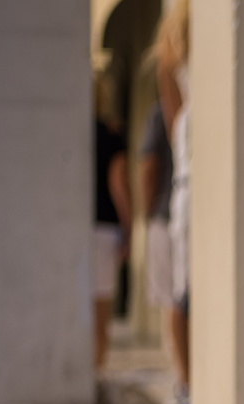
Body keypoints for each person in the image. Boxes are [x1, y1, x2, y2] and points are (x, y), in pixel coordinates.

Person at [139, 98, 187, 404]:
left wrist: (147, 212)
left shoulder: (164, 112)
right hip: (174, 211)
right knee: (180, 300)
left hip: (169, 213)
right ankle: (186, 381)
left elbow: (149, 166)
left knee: (176, 299)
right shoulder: (164, 113)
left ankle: (185, 382)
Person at [156, 0, 190, 404]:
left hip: (194, 180)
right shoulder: (175, 43)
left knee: (188, 293)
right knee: (185, 294)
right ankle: (187, 383)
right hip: (193, 183)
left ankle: (190, 384)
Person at [93, 77, 132, 375]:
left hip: (68, 226)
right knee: (100, 310)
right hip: (103, 229)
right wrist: (128, 229)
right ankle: (96, 375)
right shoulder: (110, 135)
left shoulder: (61, 133)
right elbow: (118, 185)